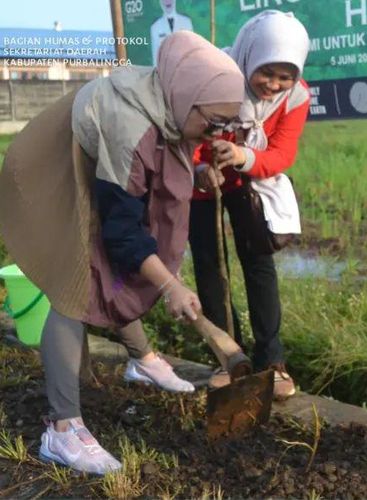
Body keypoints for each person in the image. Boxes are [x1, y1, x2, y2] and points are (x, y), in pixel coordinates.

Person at [0, 31, 245, 474]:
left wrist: (202, 170)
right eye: (213, 123)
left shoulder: (173, 102)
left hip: (101, 161)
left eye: (226, 125)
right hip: (50, 166)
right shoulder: (131, 126)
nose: (217, 132)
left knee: (109, 270)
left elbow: (166, 160)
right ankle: (61, 430)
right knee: (73, 285)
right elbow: (124, 233)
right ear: (188, 100)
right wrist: (171, 285)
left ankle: (142, 360)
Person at [189, 11, 310, 399]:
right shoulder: (214, 78)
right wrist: (199, 167)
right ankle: (228, 357)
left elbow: (281, 153)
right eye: (266, 72)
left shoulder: (296, 97)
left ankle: (271, 361)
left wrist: (241, 157)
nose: (273, 85)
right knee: (210, 264)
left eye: (284, 76)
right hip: (203, 181)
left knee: (258, 263)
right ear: (248, 57)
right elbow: (181, 132)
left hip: (249, 178)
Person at [150, 0, 194, 65]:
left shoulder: (186, 22)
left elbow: (192, 52)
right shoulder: (155, 27)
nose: (167, 1)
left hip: (185, 69)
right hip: (166, 72)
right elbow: (155, 58)